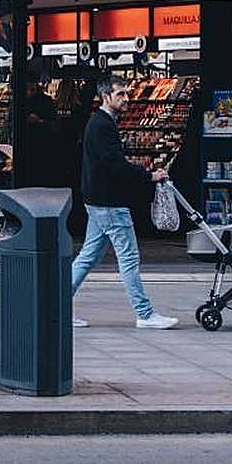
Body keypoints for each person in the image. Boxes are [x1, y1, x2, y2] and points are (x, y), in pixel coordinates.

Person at [71, 74, 179, 330]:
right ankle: (145, 313)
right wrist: (148, 175)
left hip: (97, 201)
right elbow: (114, 164)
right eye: (120, 94)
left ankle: (56, 308)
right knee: (129, 258)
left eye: (127, 93)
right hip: (109, 203)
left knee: (87, 257)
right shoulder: (102, 125)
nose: (126, 99)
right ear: (105, 96)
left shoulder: (99, 123)